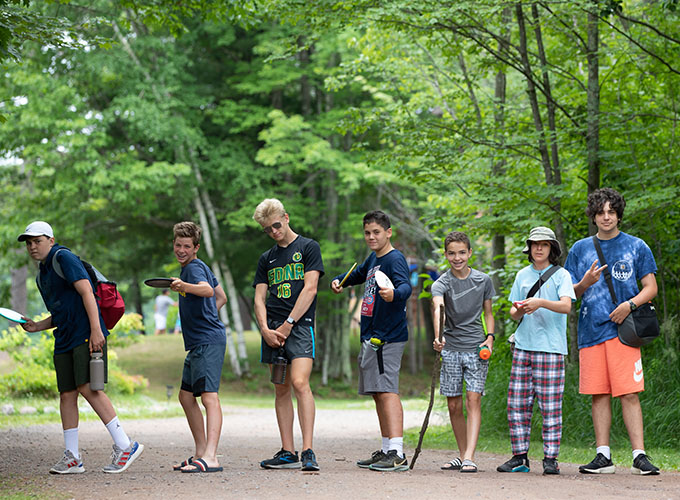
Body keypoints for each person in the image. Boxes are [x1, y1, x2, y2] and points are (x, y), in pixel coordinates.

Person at [18, 221, 143, 474]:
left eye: (37, 241)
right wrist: (37, 326)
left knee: (89, 387)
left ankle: (126, 445)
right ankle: (72, 457)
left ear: (50, 241)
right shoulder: (42, 274)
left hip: (85, 333)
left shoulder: (63, 257)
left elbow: (87, 292)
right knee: (66, 393)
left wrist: (97, 330)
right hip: (64, 336)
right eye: (29, 243)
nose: (32, 247)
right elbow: (62, 311)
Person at [564, 188, 660, 475]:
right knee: (599, 394)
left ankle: (639, 455)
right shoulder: (579, 249)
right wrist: (584, 282)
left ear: (619, 215)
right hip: (591, 331)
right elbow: (570, 295)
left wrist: (629, 305)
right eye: (601, 212)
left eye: (611, 211)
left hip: (625, 333)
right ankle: (603, 456)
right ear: (593, 216)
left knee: (629, 393)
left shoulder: (637, 246)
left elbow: (651, 288)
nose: (606, 217)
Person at [331, 210, 412, 472]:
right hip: (372, 335)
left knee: (388, 391)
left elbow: (406, 287)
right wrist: (340, 279)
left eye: (376, 232)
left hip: (388, 337)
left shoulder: (394, 258)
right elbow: (361, 273)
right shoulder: (374, 259)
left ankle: (397, 453)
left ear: (389, 232)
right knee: (378, 392)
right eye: (367, 232)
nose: (371, 237)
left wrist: (394, 294)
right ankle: (387, 448)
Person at [253, 198, 324, 472]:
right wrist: (265, 329)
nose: (273, 232)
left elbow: (311, 289)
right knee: (280, 387)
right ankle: (287, 451)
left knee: (299, 382)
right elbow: (259, 297)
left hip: (300, 326)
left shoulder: (308, 247)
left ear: (286, 217)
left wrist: (288, 324)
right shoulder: (266, 258)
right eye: (267, 229)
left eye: (276, 225)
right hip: (272, 329)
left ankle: (308, 450)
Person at [497, 227, 574, 475]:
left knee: (550, 407)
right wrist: (520, 309)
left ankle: (550, 459)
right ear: (529, 248)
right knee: (517, 404)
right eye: (534, 244)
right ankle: (519, 457)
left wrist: (540, 302)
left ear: (552, 248)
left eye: (544, 244)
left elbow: (566, 307)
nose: (539, 248)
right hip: (523, 346)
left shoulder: (562, 275)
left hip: (551, 349)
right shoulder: (522, 275)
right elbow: (512, 311)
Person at [430, 231, 495, 474]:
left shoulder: (483, 280)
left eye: (461, 252)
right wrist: (438, 337)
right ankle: (462, 454)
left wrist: (489, 338)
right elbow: (438, 307)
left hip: (476, 348)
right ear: (446, 255)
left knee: (473, 400)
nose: (457, 258)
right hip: (451, 349)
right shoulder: (441, 283)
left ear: (469, 253)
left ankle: (470, 455)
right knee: (454, 405)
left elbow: (488, 313)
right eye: (451, 253)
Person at [170, 221, 228, 473]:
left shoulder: (193, 269)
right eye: (177, 245)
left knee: (209, 397)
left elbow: (206, 290)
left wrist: (183, 287)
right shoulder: (198, 266)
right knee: (185, 396)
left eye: (186, 246)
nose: (181, 250)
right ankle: (200, 453)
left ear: (196, 248)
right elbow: (221, 296)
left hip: (207, 341)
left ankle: (211, 457)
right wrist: (208, 315)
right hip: (199, 342)